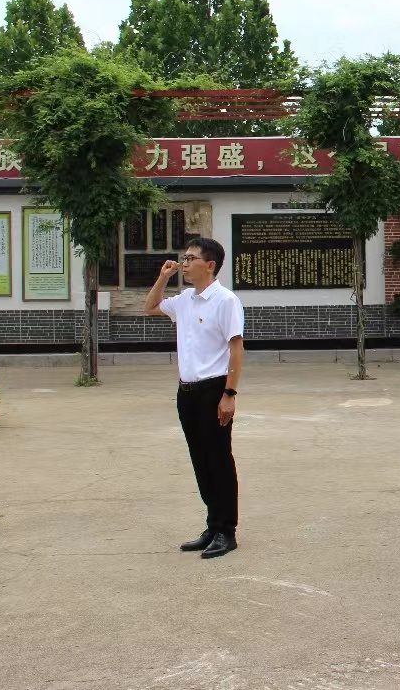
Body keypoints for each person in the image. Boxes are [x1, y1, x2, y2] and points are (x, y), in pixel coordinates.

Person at [144, 237, 245, 560]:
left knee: (219, 460)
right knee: (200, 460)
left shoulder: (225, 301)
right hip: (186, 392)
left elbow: (236, 348)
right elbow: (150, 307)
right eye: (184, 258)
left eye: (191, 259)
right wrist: (163, 277)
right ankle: (212, 526)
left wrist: (229, 394)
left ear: (210, 265)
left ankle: (227, 531)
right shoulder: (185, 300)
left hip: (214, 390)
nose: (184, 263)